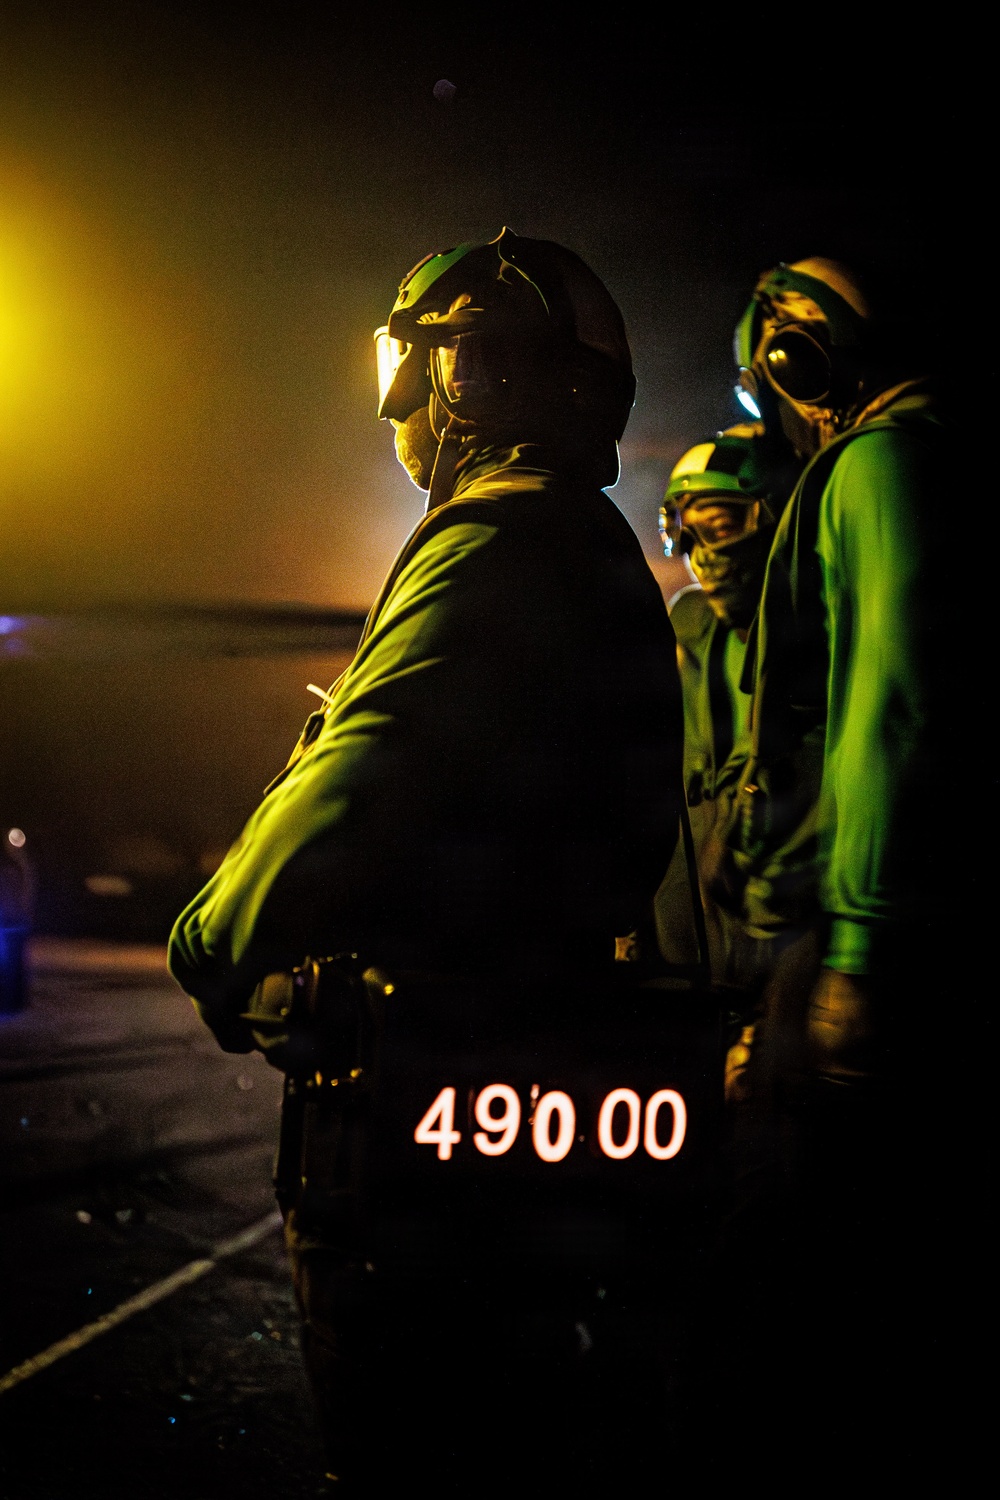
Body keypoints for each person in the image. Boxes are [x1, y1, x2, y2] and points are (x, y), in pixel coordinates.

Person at [168, 228, 683, 1490]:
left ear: (462, 376)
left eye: (419, 360)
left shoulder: (494, 542)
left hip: (421, 1089)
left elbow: (363, 773)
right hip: (541, 1057)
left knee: (405, 1436)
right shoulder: (594, 545)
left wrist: (213, 939)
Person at [703, 256, 950, 1476]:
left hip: (868, 949)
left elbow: (888, 705)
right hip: (854, 941)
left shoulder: (882, 464)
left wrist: (852, 950)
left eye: (772, 389)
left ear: (801, 357)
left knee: (792, 1287)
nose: (782, 418)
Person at [652, 428, 799, 1033]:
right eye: (687, 532)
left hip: (778, 973)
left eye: (720, 525)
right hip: (686, 977)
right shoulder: (686, 638)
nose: (702, 553)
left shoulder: (812, 651)